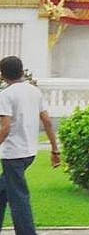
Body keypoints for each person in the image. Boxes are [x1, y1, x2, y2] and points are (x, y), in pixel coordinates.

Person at [0, 56, 60, 235]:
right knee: (3, 189)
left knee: (19, 197)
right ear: (21, 71)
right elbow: (47, 121)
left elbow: (5, 128)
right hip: (29, 153)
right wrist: (55, 150)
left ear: (2, 75)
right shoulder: (34, 92)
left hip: (13, 154)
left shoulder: (6, 95)